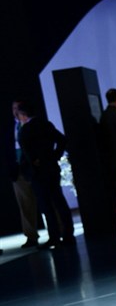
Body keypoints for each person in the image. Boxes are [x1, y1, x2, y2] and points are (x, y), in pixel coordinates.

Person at [15, 101, 75, 248]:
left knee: (46, 206)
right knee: (59, 201)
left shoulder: (25, 130)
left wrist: (33, 163)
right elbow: (62, 140)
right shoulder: (45, 124)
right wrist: (54, 156)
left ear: (23, 115)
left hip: (37, 173)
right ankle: (68, 234)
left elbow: (27, 154)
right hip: (51, 168)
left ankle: (54, 237)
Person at [11, 100, 40, 248]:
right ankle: (31, 236)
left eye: (18, 108)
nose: (16, 111)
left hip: (34, 168)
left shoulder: (33, 125)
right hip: (19, 170)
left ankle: (60, 231)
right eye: (14, 108)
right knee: (25, 205)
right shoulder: (11, 127)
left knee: (47, 200)